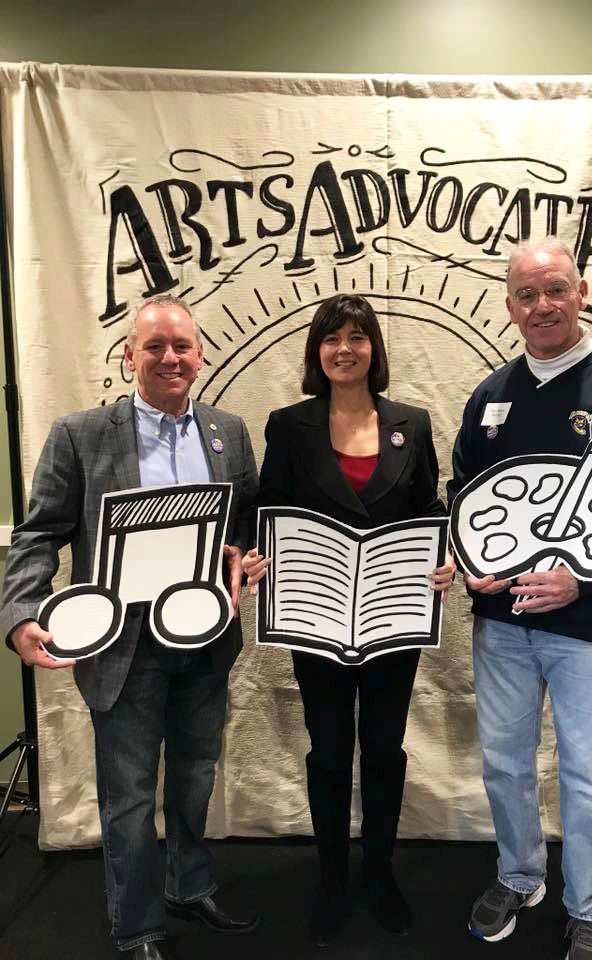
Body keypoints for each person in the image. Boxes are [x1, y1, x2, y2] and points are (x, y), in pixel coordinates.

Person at [0, 295, 260, 959]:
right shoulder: (78, 433)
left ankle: (189, 884)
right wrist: (21, 613)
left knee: (197, 775)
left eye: (182, 346)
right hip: (124, 649)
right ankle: (138, 924)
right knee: (128, 798)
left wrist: (246, 562)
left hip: (205, 642)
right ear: (129, 356)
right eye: (155, 346)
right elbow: (37, 534)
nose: (170, 357)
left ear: (201, 355)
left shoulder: (228, 431)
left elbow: (243, 531)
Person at [447, 239, 592, 960]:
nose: (541, 306)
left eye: (555, 289)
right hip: (503, 622)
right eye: (526, 294)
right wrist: (470, 561)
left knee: (586, 774)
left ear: (581, 293)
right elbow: (464, 498)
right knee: (505, 763)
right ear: (510, 305)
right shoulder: (490, 397)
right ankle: (520, 876)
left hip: (589, 626)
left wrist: (585, 581)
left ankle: (591, 908)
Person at [242, 293, 454, 947]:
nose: (345, 348)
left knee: (384, 751)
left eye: (358, 337)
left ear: (374, 349)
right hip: (317, 620)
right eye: (332, 338)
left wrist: (442, 559)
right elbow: (266, 508)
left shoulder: (411, 424)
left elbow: (429, 510)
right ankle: (333, 877)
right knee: (330, 753)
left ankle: (380, 871)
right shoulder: (289, 424)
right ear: (317, 351)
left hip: (393, 620)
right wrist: (258, 557)